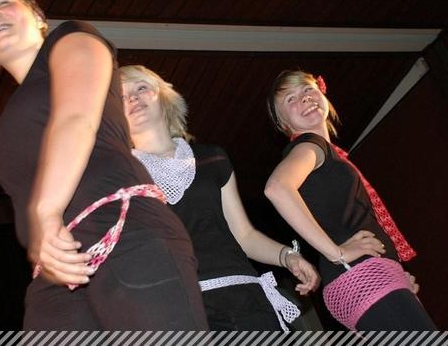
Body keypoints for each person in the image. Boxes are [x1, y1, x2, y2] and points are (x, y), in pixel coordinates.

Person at [0, 0, 208, 329]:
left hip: (122, 227)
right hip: (55, 272)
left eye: (1, 3)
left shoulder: (73, 37)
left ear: (37, 15)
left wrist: (46, 213)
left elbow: (76, 119)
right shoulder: (6, 123)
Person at [120, 64, 320, 331]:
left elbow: (244, 235)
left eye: (141, 87)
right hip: (183, 312)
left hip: (246, 300)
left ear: (164, 97)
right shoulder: (119, 178)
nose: (133, 98)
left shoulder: (212, 158)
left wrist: (288, 256)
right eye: (121, 96)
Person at [264, 69, 436, 330]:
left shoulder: (328, 152)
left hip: (366, 275)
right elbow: (277, 188)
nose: (304, 97)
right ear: (282, 122)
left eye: (308, 89)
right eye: (291, 98)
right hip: (361, 274)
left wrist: (395, 270)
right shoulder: (310, 145)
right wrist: (338, 254)